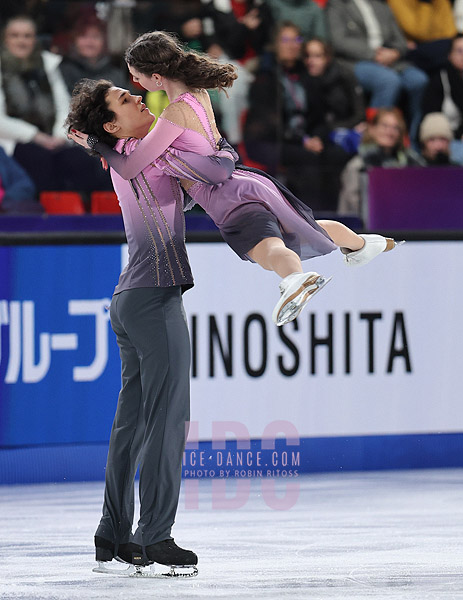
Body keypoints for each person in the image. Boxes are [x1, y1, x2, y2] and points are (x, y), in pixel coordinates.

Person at [69, 31, 402, 328]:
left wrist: (96, 144)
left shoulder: (170, 116)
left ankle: (295, 280)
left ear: (156, 77)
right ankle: (362, 244)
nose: (136, 86)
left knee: (269, 248)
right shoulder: (197, 93)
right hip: (250, 180)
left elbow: (131, 167)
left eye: (136, 78)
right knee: (305, 227)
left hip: (226, 195)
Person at [65, 78, 238, 575]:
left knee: (132, 424)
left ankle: (112, 533)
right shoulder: (145, 152)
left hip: (131, 299)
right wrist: (217, 136)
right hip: (154, 300)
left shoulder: (126, 157)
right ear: (113, 124)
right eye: (126, 98)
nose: (138, 97)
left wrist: (97, 142)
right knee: (166, 421)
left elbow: (177, 201)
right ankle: (154, 537)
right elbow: (219, 171)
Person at [244, 22, 350, 211]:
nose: (292, 44)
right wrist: (303, 140)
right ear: (275, 44)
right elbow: (268, 123)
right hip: (269, 141)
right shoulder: (265, 77)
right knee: (308, 159)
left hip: (304, 140)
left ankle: (336, 216)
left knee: (336, 155)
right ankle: (312, 218)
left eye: (297, 39)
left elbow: (320, 116)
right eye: (286, 39)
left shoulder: (307, 77)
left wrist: (317, 137)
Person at [0, 14, 112, 193]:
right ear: (5, 39)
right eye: (15, 35)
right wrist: (36, 136)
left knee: (80, 160)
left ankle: (85, 215)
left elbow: (63, 106)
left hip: (54, 138)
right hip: (14, 141)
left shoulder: (47, 64)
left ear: (34, 39)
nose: (22, 41)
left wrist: (58, 137)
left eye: (27, 36)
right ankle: (46, 217)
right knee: (39, 161)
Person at [326, 0, 429, 145]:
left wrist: (395, 52)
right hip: (356, 61)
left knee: (419, 80)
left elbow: (400, 40)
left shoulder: (381, 5)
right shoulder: (338, 5)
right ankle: (374, 141)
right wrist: (373, 54)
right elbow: (339, 41)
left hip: (391, 61)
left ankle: (413, 142)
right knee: (388, 81)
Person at [338, 108, 424, 219]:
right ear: (372, 129)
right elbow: (353, 202)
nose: (390, 131)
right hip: (363, 228)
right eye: (385, 126)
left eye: (395, 128)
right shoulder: (359, 165)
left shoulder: (410, 163)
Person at [303, 38, 366, 153]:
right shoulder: (302, 80)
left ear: (327, 58)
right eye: (307, 56)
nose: (311, 61)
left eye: (317, 56)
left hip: (346, 127)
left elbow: (360, 114)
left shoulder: (344, 76)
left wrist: (336, 128)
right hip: (316, 135)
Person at [59, 15, 128, 95]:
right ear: (74, 40)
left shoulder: (117, 68)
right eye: (83, 36)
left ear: (105, 41)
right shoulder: (64, 69)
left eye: (95, 36)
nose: (89, 42)